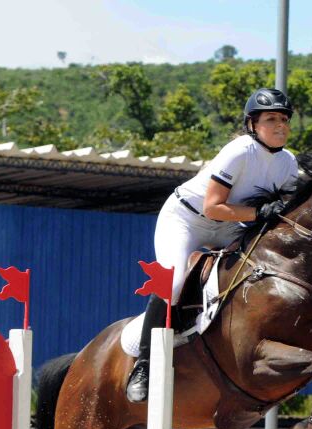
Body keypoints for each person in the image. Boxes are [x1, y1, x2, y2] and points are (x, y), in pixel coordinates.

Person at [126, 87, 299, 402]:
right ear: (252, 124)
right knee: (172, 283)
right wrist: (259, 213)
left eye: (284, 119)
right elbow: (212, 207)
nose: (280, 125)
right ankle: (144, 363)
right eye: (271, 119)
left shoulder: (288, 162)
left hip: (230, 224)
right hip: (187, 219)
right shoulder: (240, 151)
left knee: (262, 269)